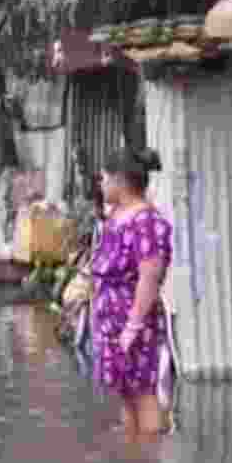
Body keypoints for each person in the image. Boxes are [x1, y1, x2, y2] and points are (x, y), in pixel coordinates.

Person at [90, 148, 174, 437]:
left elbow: (150, 277)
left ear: (119, 180)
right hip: (112, 318)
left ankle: (153, 462)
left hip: (133, 320)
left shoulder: (146, 221)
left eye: (103, 179)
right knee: (125, 392)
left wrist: (133, 326)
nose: (100, 185)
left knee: (144, 394)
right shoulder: (118, 215)